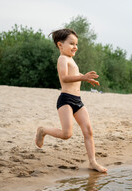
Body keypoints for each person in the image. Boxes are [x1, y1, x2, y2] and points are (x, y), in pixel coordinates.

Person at [35, 28, 107, 172]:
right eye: (72, 44)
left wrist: (87, 79)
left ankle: (92, 162)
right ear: (60, 45)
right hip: (66, 100)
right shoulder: (62, 59)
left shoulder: (71, 59)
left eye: (76, 44)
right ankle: (43, 130)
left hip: (77, 101)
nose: (75, 47)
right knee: (67, 134)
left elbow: (74, 73)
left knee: (88, 131)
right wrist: (83, 77)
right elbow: (64, 78)